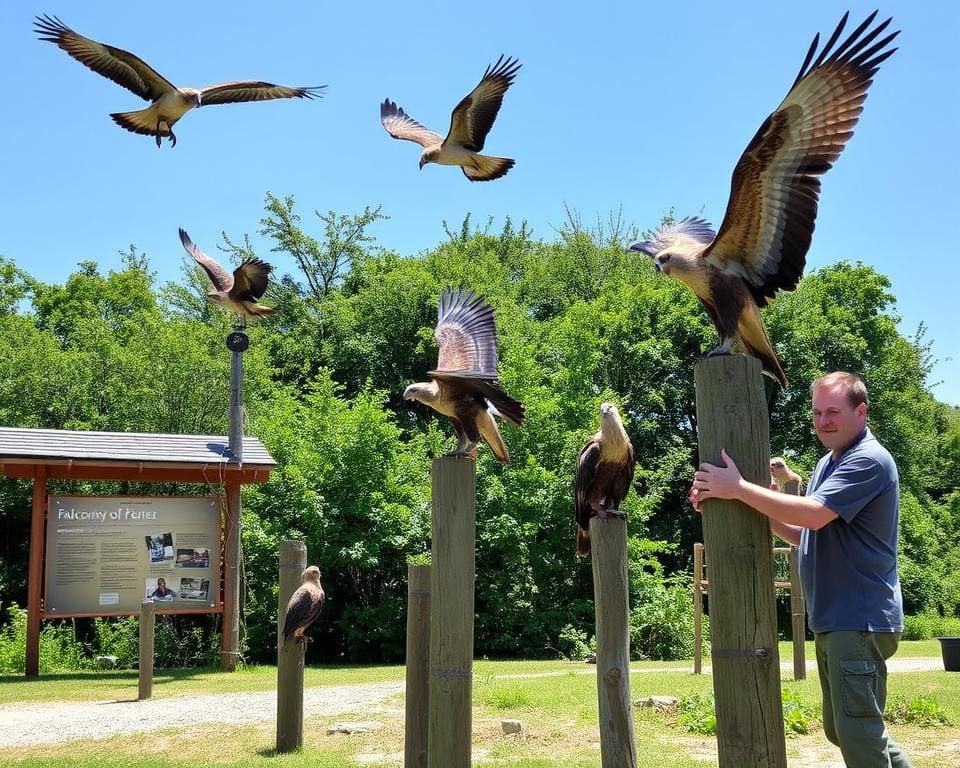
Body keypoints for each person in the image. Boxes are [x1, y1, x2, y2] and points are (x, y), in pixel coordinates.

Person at [689, 372, 910, 768]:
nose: (823, 420)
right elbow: (801, 533)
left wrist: (738, 487)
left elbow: (813, 515)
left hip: (859, 620)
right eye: (817, 412)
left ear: (861, 412)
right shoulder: (830, 461)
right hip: (836, 620)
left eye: (833, 412)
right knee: (844, 730)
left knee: (859, 735)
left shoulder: (868, 460)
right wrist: (743, 497)